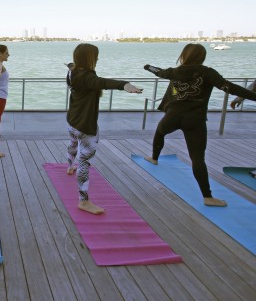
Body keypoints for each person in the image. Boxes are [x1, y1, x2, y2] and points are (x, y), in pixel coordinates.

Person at [144, 43, 256, 207]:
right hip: (195, 120)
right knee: (197, 158)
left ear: (184, 55)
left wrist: (147, 66)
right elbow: (230, 88)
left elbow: (159, 72)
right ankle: (208, 197)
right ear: (202, 57)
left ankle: (154, 158)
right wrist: (254, 97)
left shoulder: (174, 72)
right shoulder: (207, 73)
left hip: (173, 116)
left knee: (160, 132)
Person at [66, 43, 142, 214]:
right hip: (85, 125)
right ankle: (83, 201)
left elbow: (75, 69)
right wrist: (124, 85)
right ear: (89, 58)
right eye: (96, 56)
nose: (98, 59)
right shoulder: (86, 77)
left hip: (72, 120)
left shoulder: (73, 72)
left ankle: (70, 166)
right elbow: (102, 82)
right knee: (84, 162)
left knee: (72, 143)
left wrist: (70, 65)